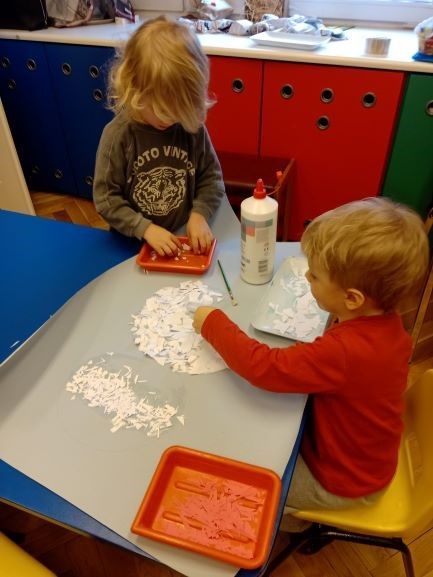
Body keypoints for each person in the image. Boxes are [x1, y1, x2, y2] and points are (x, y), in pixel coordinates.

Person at [193, 197, 429, 530]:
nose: (306, 276)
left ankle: (289, 522)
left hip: (342, 482)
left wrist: (211, 323)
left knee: (244, 485)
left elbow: (263, 367)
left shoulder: (345, 351)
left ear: (352, 298)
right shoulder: (388, 324)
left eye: (315, 276)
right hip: (369, 459)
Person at [93, 16, 225, 256]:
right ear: (135, 89)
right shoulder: (118, 136)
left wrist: (199, 214)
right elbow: (106, 199)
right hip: (130, 245)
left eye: (180, 111)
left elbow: (211, 179)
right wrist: (145, 228)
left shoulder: (189, 126)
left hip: (182, 238)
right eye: (163, 110)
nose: (172, 119)